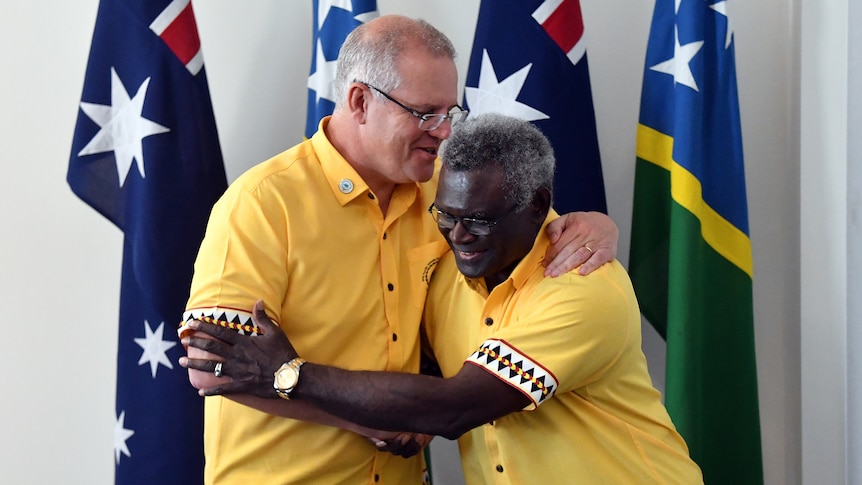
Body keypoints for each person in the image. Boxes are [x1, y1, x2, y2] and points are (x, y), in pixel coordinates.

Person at [181, 15, 618, 485]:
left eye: (451, 113)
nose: (445, 132)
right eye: (425, 113)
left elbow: (537, 226)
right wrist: (364, 420)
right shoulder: (263, 203)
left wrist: (598, 225)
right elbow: (215, 365)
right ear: (360, 101)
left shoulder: (445, 196)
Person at [181, 113, 704, 484]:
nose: (458, 235)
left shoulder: (579, 287)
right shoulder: (449, 269)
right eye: (445, 215)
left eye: (476, 221)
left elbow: (457, 408)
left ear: (538, 206)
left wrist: (288, 372)